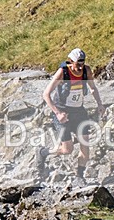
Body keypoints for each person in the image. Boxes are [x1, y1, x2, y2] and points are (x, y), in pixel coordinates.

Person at [38, 48, 106, 185]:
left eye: (82, 62)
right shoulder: (63, 73)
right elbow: (46, 94)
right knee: (67, 150)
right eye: (77, 63)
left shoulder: (86, 71)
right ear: (70, 61)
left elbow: (92, 88)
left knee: (85, 145)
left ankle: (79, 176)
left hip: (79, 112)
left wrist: (99, 104)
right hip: (63, 113)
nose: (80, 66)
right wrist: (58, 113)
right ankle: (43, 152)